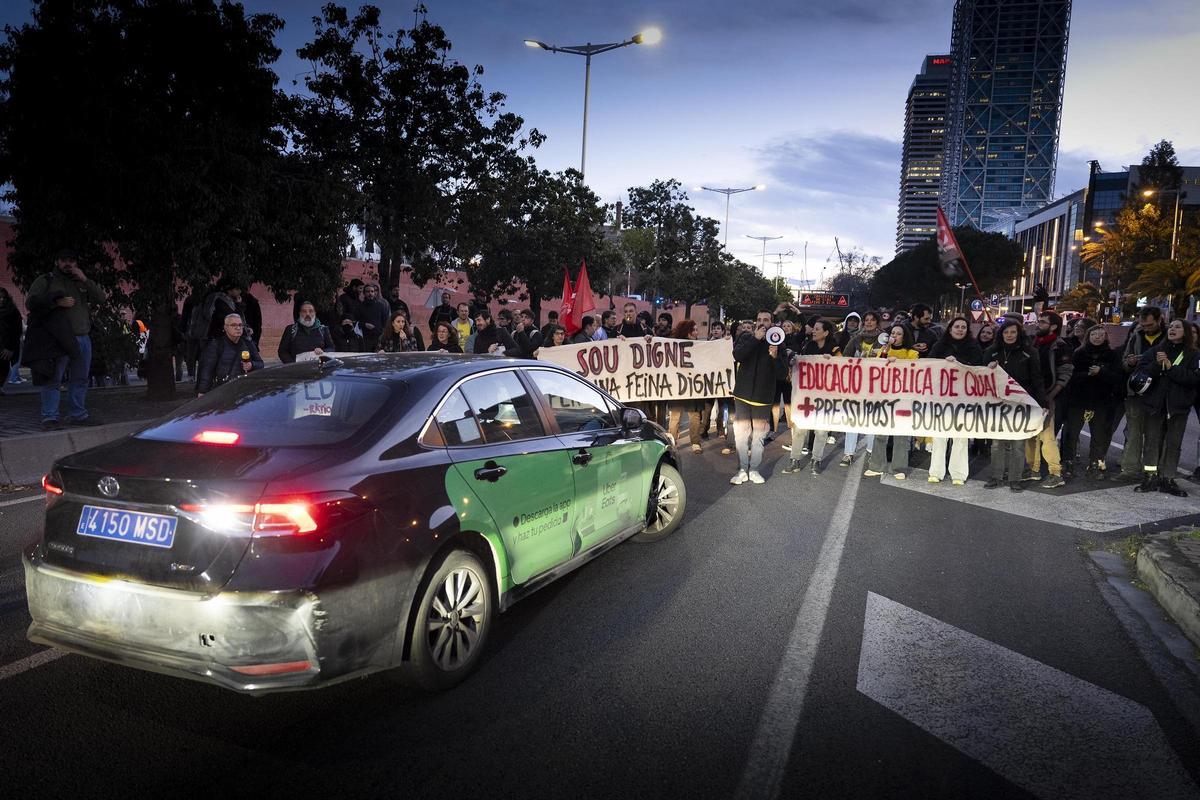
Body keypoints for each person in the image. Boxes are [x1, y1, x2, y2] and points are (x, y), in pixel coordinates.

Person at [25, 250, 107, 427]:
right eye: (64, 260)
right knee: (53, 378)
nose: (68, 264)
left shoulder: (81, 282)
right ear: (57, 261)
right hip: (57, 338)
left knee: (80, 378)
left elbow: (101, 298)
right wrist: (55, 303)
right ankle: (50, 417)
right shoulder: (46, 279)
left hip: (83, 337)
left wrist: (85, 279)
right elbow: (30, 303)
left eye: (72, 260)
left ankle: (78, 415)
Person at [1135, 319, 1200, 496]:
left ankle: (1168, 478)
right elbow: (1141, 372)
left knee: (1173, 444)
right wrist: (1157, 365)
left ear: (1185, 332)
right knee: (1151, 442)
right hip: (1155, 405)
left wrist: (1171, 368)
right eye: (1171, 326)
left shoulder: (1194, 354)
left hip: (1178, 407)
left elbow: (1195, 379)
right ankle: (1150, 477)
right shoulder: (1156, 351)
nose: (1172, 329)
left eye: (1177, 327)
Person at [981, 320, 1044, 491]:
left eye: (1013, 332)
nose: (1009, 335)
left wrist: (1041, 403)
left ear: (1019, 334)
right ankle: (996, 476)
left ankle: (1015, 478)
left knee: (1018, 443)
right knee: (997, 443)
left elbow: (1037, 378)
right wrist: (989, 368)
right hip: (997, 403)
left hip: (1021, 403)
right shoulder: (991, 352)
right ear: (1001, 334)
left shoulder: (1030, 352)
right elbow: (981, 378)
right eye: (1006, 332)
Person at [729, 314, 789, 485]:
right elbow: (738, 355)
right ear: (756, 322)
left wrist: (775, 356)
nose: (762, 323)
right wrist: (755, 339)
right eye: (760, 320)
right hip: (742, 395)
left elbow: (782, 374)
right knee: (741, 434)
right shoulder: (746, 337)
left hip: (763, 398)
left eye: (766, 320)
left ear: (772, 323)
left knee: (758, 436)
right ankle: (742, 469)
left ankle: (754, 469)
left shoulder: (778, 343)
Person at [927, 316, 984, 485]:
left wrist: (959, 363)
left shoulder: (974, 347)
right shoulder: (939, 346)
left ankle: (958, 473)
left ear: (967, 330)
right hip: (942, 397)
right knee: (940, 434)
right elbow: (929, 365)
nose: (960, 329)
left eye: (963, 327)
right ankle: (936, 471)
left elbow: (978, 368)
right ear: (950, 329)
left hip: (964, 398)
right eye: (956, 326)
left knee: (961, 435)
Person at [1062, 324, 1122, 480]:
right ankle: (1068, 463)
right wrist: (1088, 374)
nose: (1097, 337)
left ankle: (1094, 464)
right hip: (1079, 400)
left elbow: (1117, 378)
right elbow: (1071, 376)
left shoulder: (1112, 355)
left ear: (1105, 337)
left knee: (1098, 435)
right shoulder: (1079, 353)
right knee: (1072, 434)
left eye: (1101, 335)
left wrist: (1102, 372)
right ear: (1089, 336)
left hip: (1101, 401)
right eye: (1094, 334)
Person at [783, 319, 841, 476]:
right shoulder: (808, 346)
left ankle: (816, 459)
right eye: (813, 329)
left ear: (826, 333)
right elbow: (800, 364)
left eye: (817, 329)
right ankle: (794, 459)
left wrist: (833, 362)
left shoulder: (835, 350)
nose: (813, 331)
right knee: (800, 428)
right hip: (807, 397)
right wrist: (794, 359)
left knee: (821, 432)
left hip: (826, 399)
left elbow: (842, 370)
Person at [1022, 311, 1072, 487]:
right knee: (1030, 434)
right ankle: (1032, 469)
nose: (1038, 325)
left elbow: (1065, 373)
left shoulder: (1059, 346)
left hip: (1048, 396)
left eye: (1042, 322)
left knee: (1047, 436)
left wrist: (1049, 397)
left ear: (1053, 327)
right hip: (1031, 395)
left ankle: (1055, 472)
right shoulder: (1033, 342)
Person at [864, 324, 920, 480]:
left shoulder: (912, 353)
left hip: (903, 398)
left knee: (900, 435)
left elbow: (914, 371)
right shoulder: (883, 351)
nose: (895, 335)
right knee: (881, 433)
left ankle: (899, 467)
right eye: (893, 333)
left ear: (905, 336)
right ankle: (876, 465)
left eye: (899, 333)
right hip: (884, 397)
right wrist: (884, 354)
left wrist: (899, 363)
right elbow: (875, 368)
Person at [1116, 307, 1164, 481]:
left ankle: (1151, 471)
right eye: (1143, 325)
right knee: (1134, 432)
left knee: (1154, 434)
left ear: (1160, 320)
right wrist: (1130, 362)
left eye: (1150, 325)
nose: (1147, 328)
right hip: (1136, 391)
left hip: (1159, 392)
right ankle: (1129, 470)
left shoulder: (1169, 338)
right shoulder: (1136, 337)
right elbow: (1124, 362)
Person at [840, 310, 886, 466]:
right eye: (866, 320)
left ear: (877, 322)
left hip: (877, 386)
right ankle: (848, 453)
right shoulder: (856, 339)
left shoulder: (885, 340)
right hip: (856, 385)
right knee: (853, 418)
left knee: (873, 419)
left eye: (872, 320)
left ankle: (871, 452)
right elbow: (844, 358)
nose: (869, 322)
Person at [196, 314, 264, 396]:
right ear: (225, 328)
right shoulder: (217, 345)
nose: (238, 328)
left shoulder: (248, 344)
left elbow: (260, 364)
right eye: (233, 325)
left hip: (244, 390)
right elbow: (207, 370)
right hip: (223, 390)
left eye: (240, 325)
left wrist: (251, 365)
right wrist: (203, 391)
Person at [665, 320, 706, 454]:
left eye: (696, 329)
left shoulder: (699, 346)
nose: (696, 332)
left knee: (694, 415)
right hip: (677, 386)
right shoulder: (673, 345)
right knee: (675, 416)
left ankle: (695, 442)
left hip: (693, 386)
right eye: (693, 330)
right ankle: (672, 441)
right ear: (686, 331)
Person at [700, 321, 730, 441]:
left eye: (718, 328)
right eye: (714, 329)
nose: (716, 330)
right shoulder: (707, 344)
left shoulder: (727, 343)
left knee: (722, 408)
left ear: (723, 331)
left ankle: (720, 429)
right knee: (707, 409)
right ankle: (704, 430)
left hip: (722, 380)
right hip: (709, 381)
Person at [0, 287, 23, 395]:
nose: (1, 300)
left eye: (3, 297)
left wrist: (10, 347)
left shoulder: (12, 311)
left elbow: (16, 330)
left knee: (3, 367)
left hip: (5, 345)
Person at [357, 283, 391, 352]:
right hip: (365, 339)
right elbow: (356, 322)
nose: (370, 293)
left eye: (372, 291)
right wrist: (365, 324)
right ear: (364, 293)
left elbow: (385, 321)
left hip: (378, 338)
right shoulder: (360, 306)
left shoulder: (381, 305)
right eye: (368, 291)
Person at [335, 279, 365, 352]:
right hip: (343, 328)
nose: (361, 291)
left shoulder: (358, 300)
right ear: (354, 287)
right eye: (360, 288)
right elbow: (339, 313)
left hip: (355, 328)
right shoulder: (343, 298)